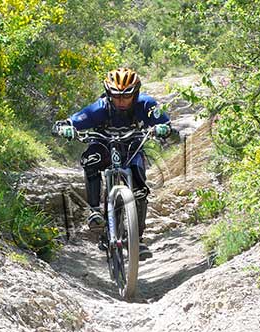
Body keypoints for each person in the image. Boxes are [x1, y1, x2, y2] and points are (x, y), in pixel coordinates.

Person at [52, 67, 171, 261]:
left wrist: (164, 128)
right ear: (109, 93)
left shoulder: (146, 105)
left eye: (127, 96)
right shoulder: (99, 108)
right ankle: (94, 211)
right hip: (103, 145)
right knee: (92, 159)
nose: (122, 101)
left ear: (136, 93)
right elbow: (76, 120)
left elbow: (163, 122)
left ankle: (137, 240)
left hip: (132, 145)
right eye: (116, 96)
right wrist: (65, 127)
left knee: (140, 188)